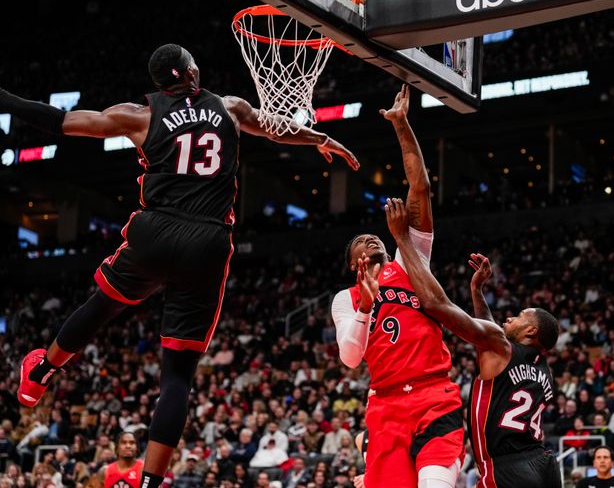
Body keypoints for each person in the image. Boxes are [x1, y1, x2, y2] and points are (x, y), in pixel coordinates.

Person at [3, 43, 359, 488]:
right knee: (177, 375)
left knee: (101, 307)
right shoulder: (229, 108)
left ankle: (40, 372)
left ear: (159, 83)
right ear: (193, 71)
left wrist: (7, 101)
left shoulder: (139, 114)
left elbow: (61, 122)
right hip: (208, 240)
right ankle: (152, 481)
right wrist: (320, 138)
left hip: (157, 229)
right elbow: (276, 128)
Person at [331, 86, 464, 487]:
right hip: (385, 405)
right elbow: (351, 359)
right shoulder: (346, 299)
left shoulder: (409, 262)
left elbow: (420, 189)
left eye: (375, 237)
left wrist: (402, 127)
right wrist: (366, 308)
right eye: (362, 242)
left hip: (434, 393)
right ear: (354, 262)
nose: (371, 240)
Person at [382, 198, 561, 488]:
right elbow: (491, 337)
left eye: (518, 317)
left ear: (530, 332)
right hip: (543, 464)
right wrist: (477, 291)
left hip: (506, 468)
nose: (509, 319)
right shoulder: (543, 370)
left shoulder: (501, 347)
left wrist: (402, 238)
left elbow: (435, 304)